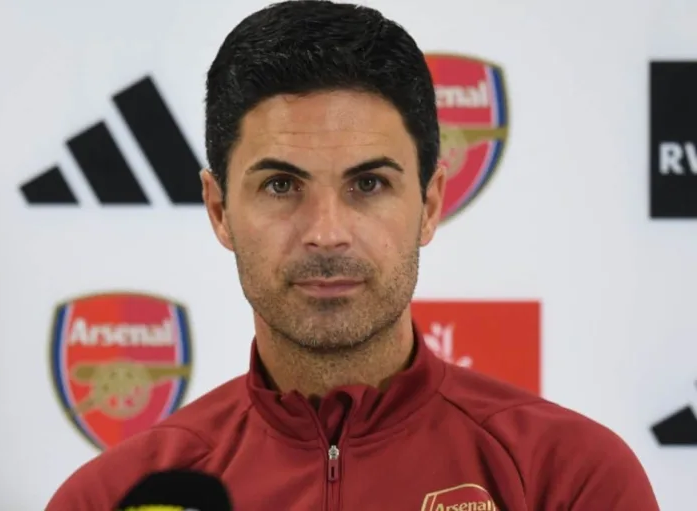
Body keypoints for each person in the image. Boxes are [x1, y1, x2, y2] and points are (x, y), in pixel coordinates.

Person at [45, 1, 660, 509]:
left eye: (368, 183)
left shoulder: (568, 478)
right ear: (219, 210)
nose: (326, 232)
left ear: (430, 204)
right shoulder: (112, 498)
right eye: (281, 185)